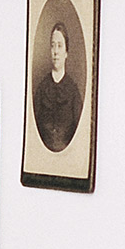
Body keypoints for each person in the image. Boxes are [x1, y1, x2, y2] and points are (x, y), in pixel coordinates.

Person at [31, 21, 84, 152]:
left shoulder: (73, 92)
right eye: (52, 46)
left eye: (59, 46)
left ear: (66, 53)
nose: (55, 51)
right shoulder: (42, 89)